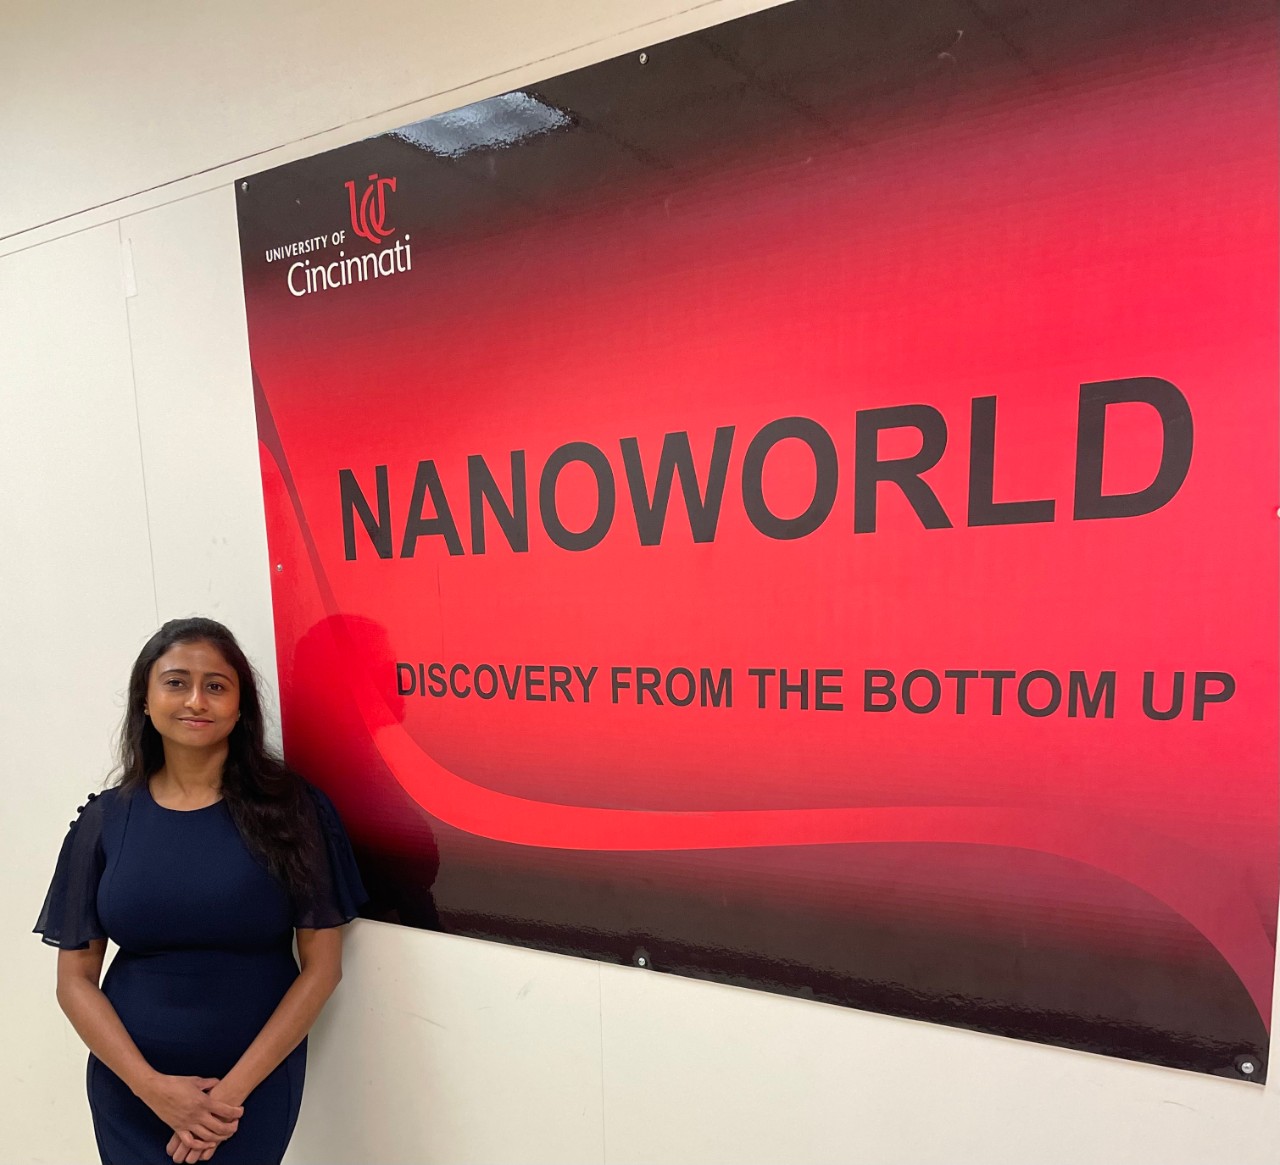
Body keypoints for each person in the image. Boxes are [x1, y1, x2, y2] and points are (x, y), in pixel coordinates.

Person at [34, 617, 367, 1164]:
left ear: (240, 707)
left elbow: (322, 968)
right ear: (145, 699)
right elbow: (74, 981)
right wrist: (152, 1088)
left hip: (249, 1094)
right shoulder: (105, 820)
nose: (196, 700)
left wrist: (224, 1100)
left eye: (216, 685)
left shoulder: (294, 813)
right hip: (132, 1091)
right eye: (175, 682)